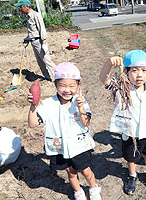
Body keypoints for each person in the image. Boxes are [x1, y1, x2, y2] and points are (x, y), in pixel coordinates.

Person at [99, 50, 146, 195]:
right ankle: (132, 175)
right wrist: (109, 63)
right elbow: (103, 79)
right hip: (130, 133)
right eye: (134, 70)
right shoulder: (121, 88)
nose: (139, 75)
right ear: (126, 72)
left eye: (144, 70)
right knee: (130, 157)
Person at [27, 62, 101, 200]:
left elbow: (85, 123)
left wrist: (81, 108)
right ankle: (78, 191)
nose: (67, 90)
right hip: (60, 146)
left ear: (78, 85)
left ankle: (93, 188)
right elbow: (32, 124)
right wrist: (33, 106)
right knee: (71, 172)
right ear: (55, 85)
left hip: (79, 145)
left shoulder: (81, 101)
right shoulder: (48, 104)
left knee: (86, 171)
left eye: (72, 86)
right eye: (63, 85)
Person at [14, 0, 56, 81]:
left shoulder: (36, 15)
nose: (20, 9)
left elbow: (42, 29)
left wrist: (44, 44)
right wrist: (27, 38)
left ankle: (59, 77)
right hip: (33, 42)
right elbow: (33, 31)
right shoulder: (28, 17)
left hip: (39, 42)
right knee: (40, 62)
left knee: (47, 61)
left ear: (26, 6)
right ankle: (47, 77)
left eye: (20, 7)